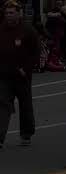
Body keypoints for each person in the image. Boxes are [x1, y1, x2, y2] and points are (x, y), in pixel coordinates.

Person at [0, 0, 40, 148]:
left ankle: (26, 134)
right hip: (4, 75)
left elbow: (36, 52)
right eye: (6, 13)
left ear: (18, 13)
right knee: (2, 104)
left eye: (11, 13)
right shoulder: (1, 29)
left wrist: (27, 68)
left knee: (25, 105)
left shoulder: (28, 30)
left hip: (22, 75)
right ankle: (0, 138)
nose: (8, 16)